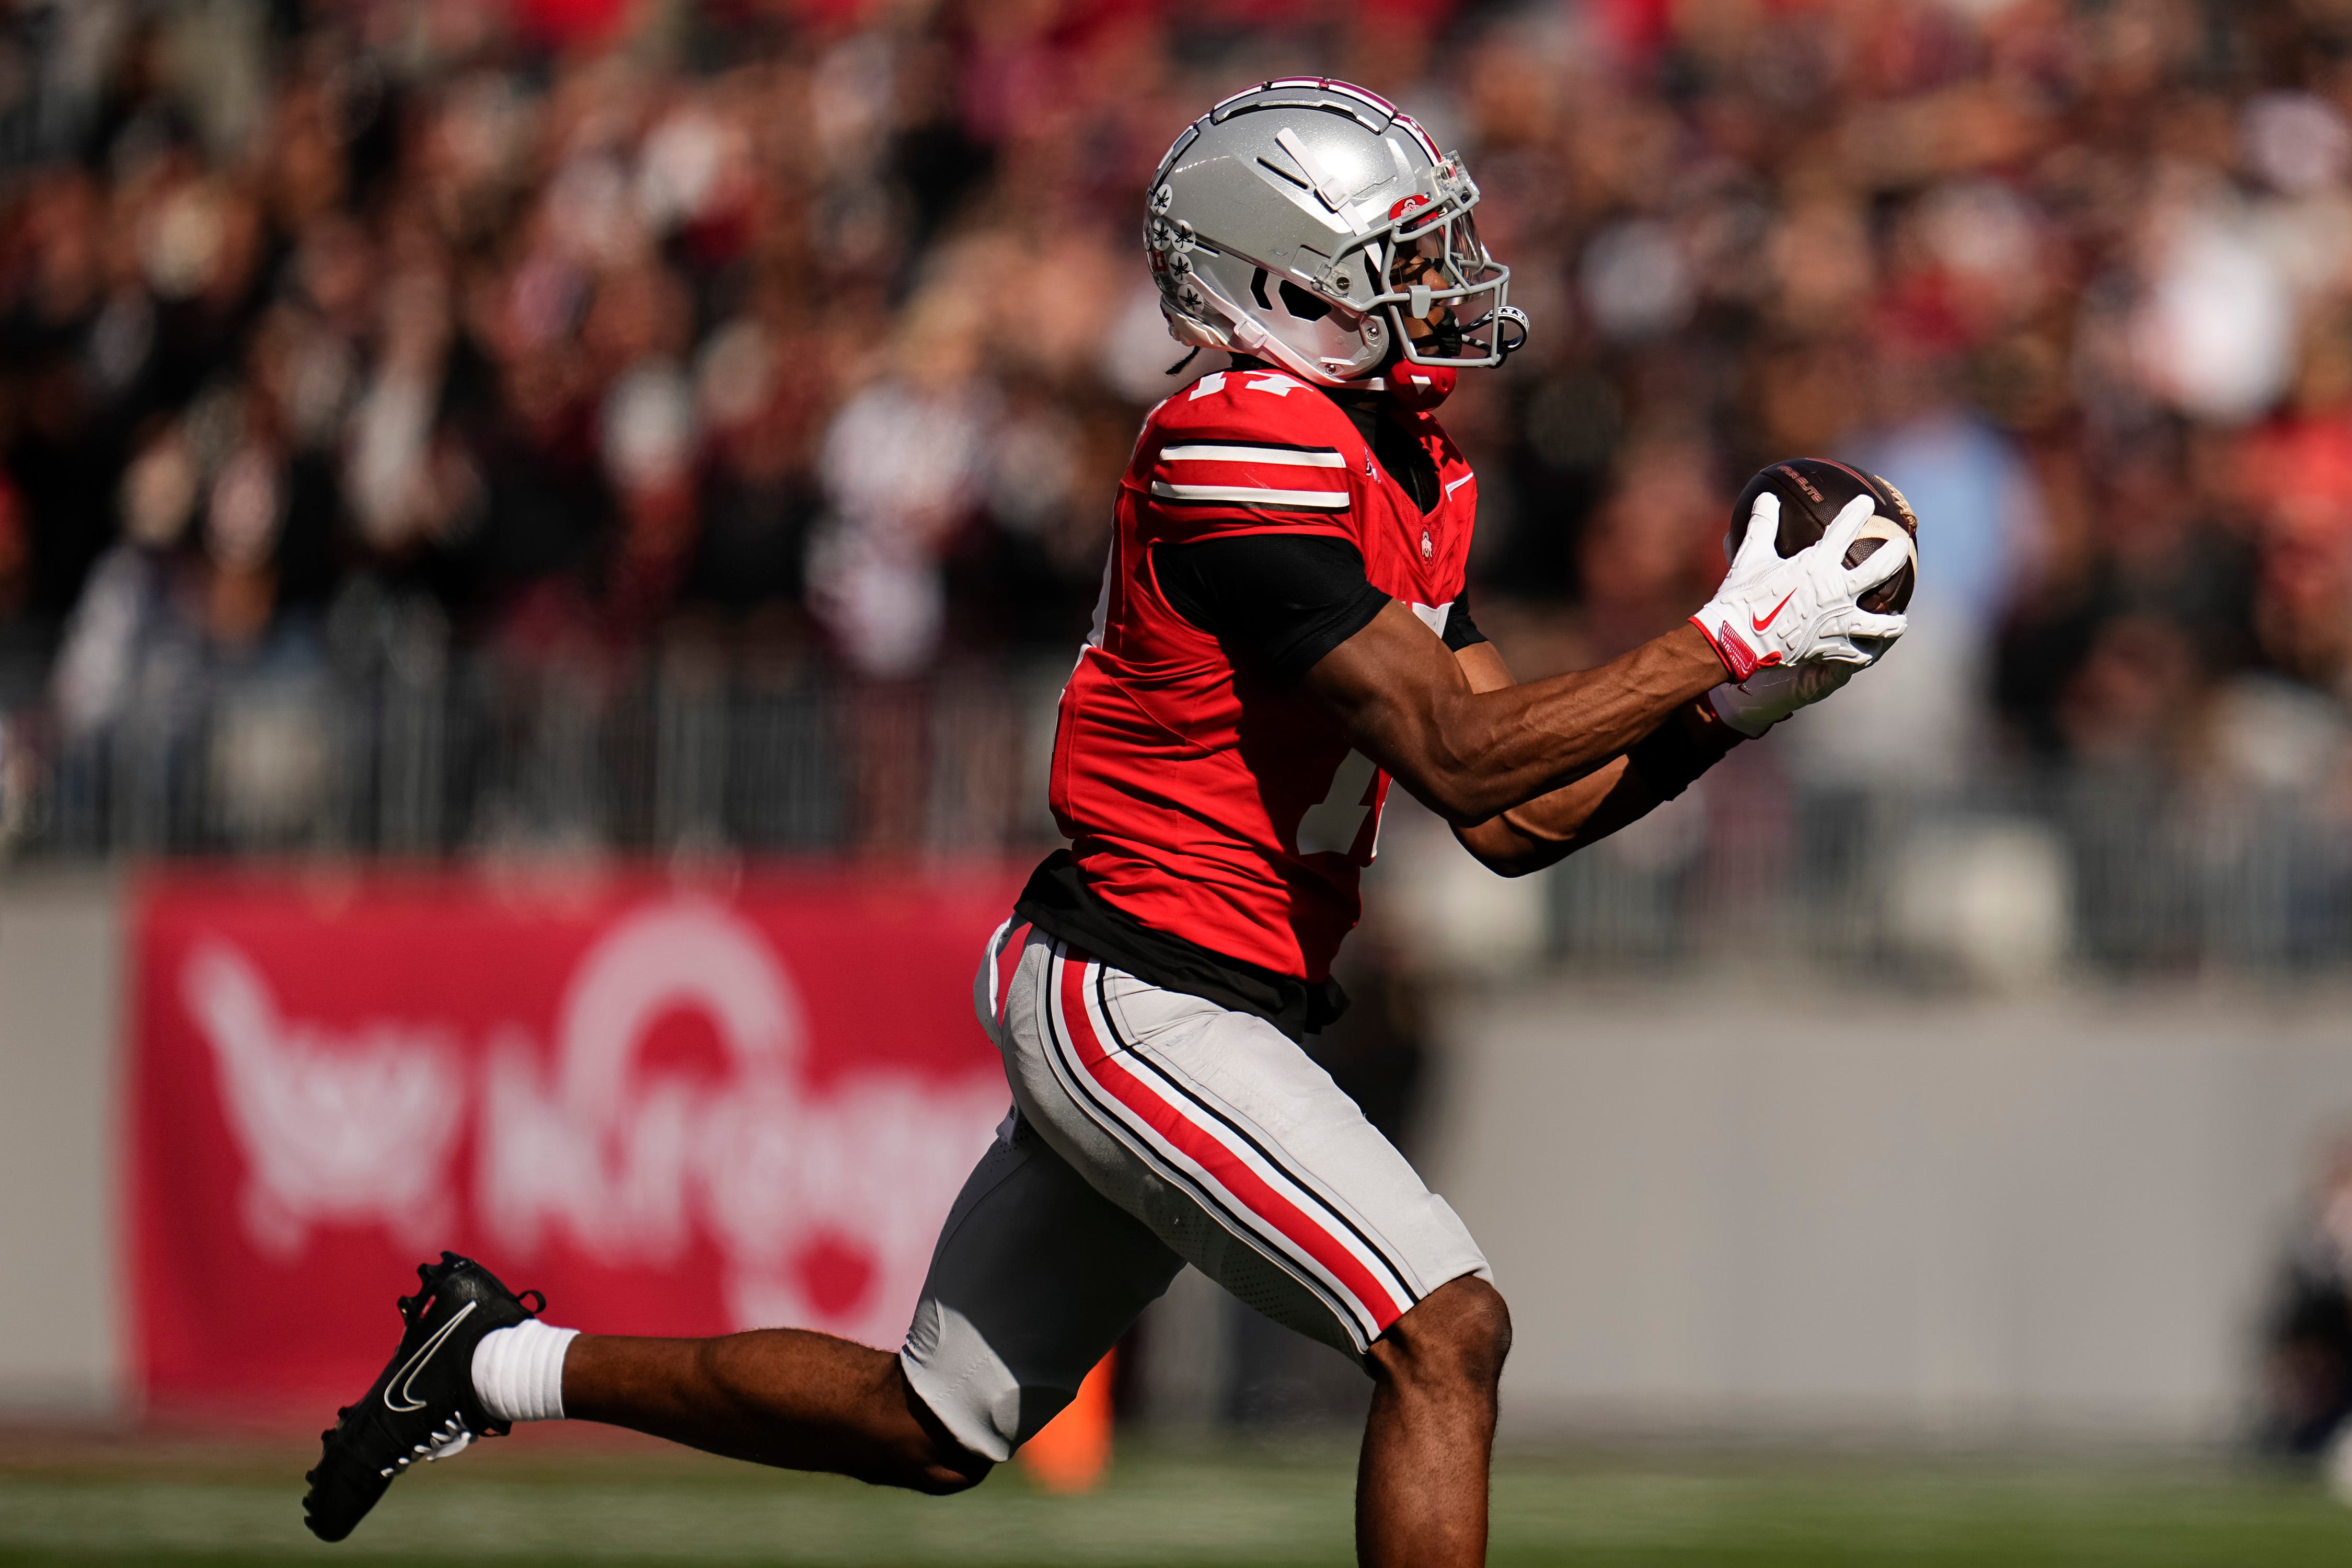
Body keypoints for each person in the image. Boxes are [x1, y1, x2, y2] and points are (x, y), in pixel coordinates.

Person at [302, 80, 1909, 1564]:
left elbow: (1508, 816)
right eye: (1398, 256)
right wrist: (1721, 640)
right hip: (1141, 985)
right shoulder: (1235, 447)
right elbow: (1464, 747)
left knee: (932, 1424)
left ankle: (490, 1361)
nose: (1446, 282)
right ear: (1283, 281)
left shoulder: (1394, 458)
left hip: (1205, 988)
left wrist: (1724, 712)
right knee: (1446, 1327)